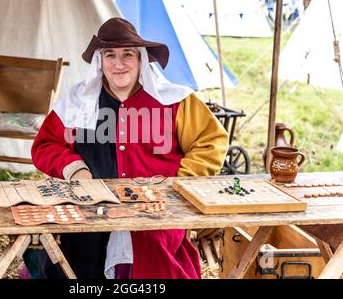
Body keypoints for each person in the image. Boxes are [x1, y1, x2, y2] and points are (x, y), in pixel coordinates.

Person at [26, 17, 229, 279]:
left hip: (157, 216)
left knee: (153, 257)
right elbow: (45, 144)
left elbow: (211, 141)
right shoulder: (78, 102)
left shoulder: (175, 101)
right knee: (80, 258)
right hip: (91, 214)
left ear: (141, 59)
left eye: (127, 55)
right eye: (110, 55)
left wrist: (176, 183)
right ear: (100, 61)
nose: (118, 64)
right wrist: (75, 169)